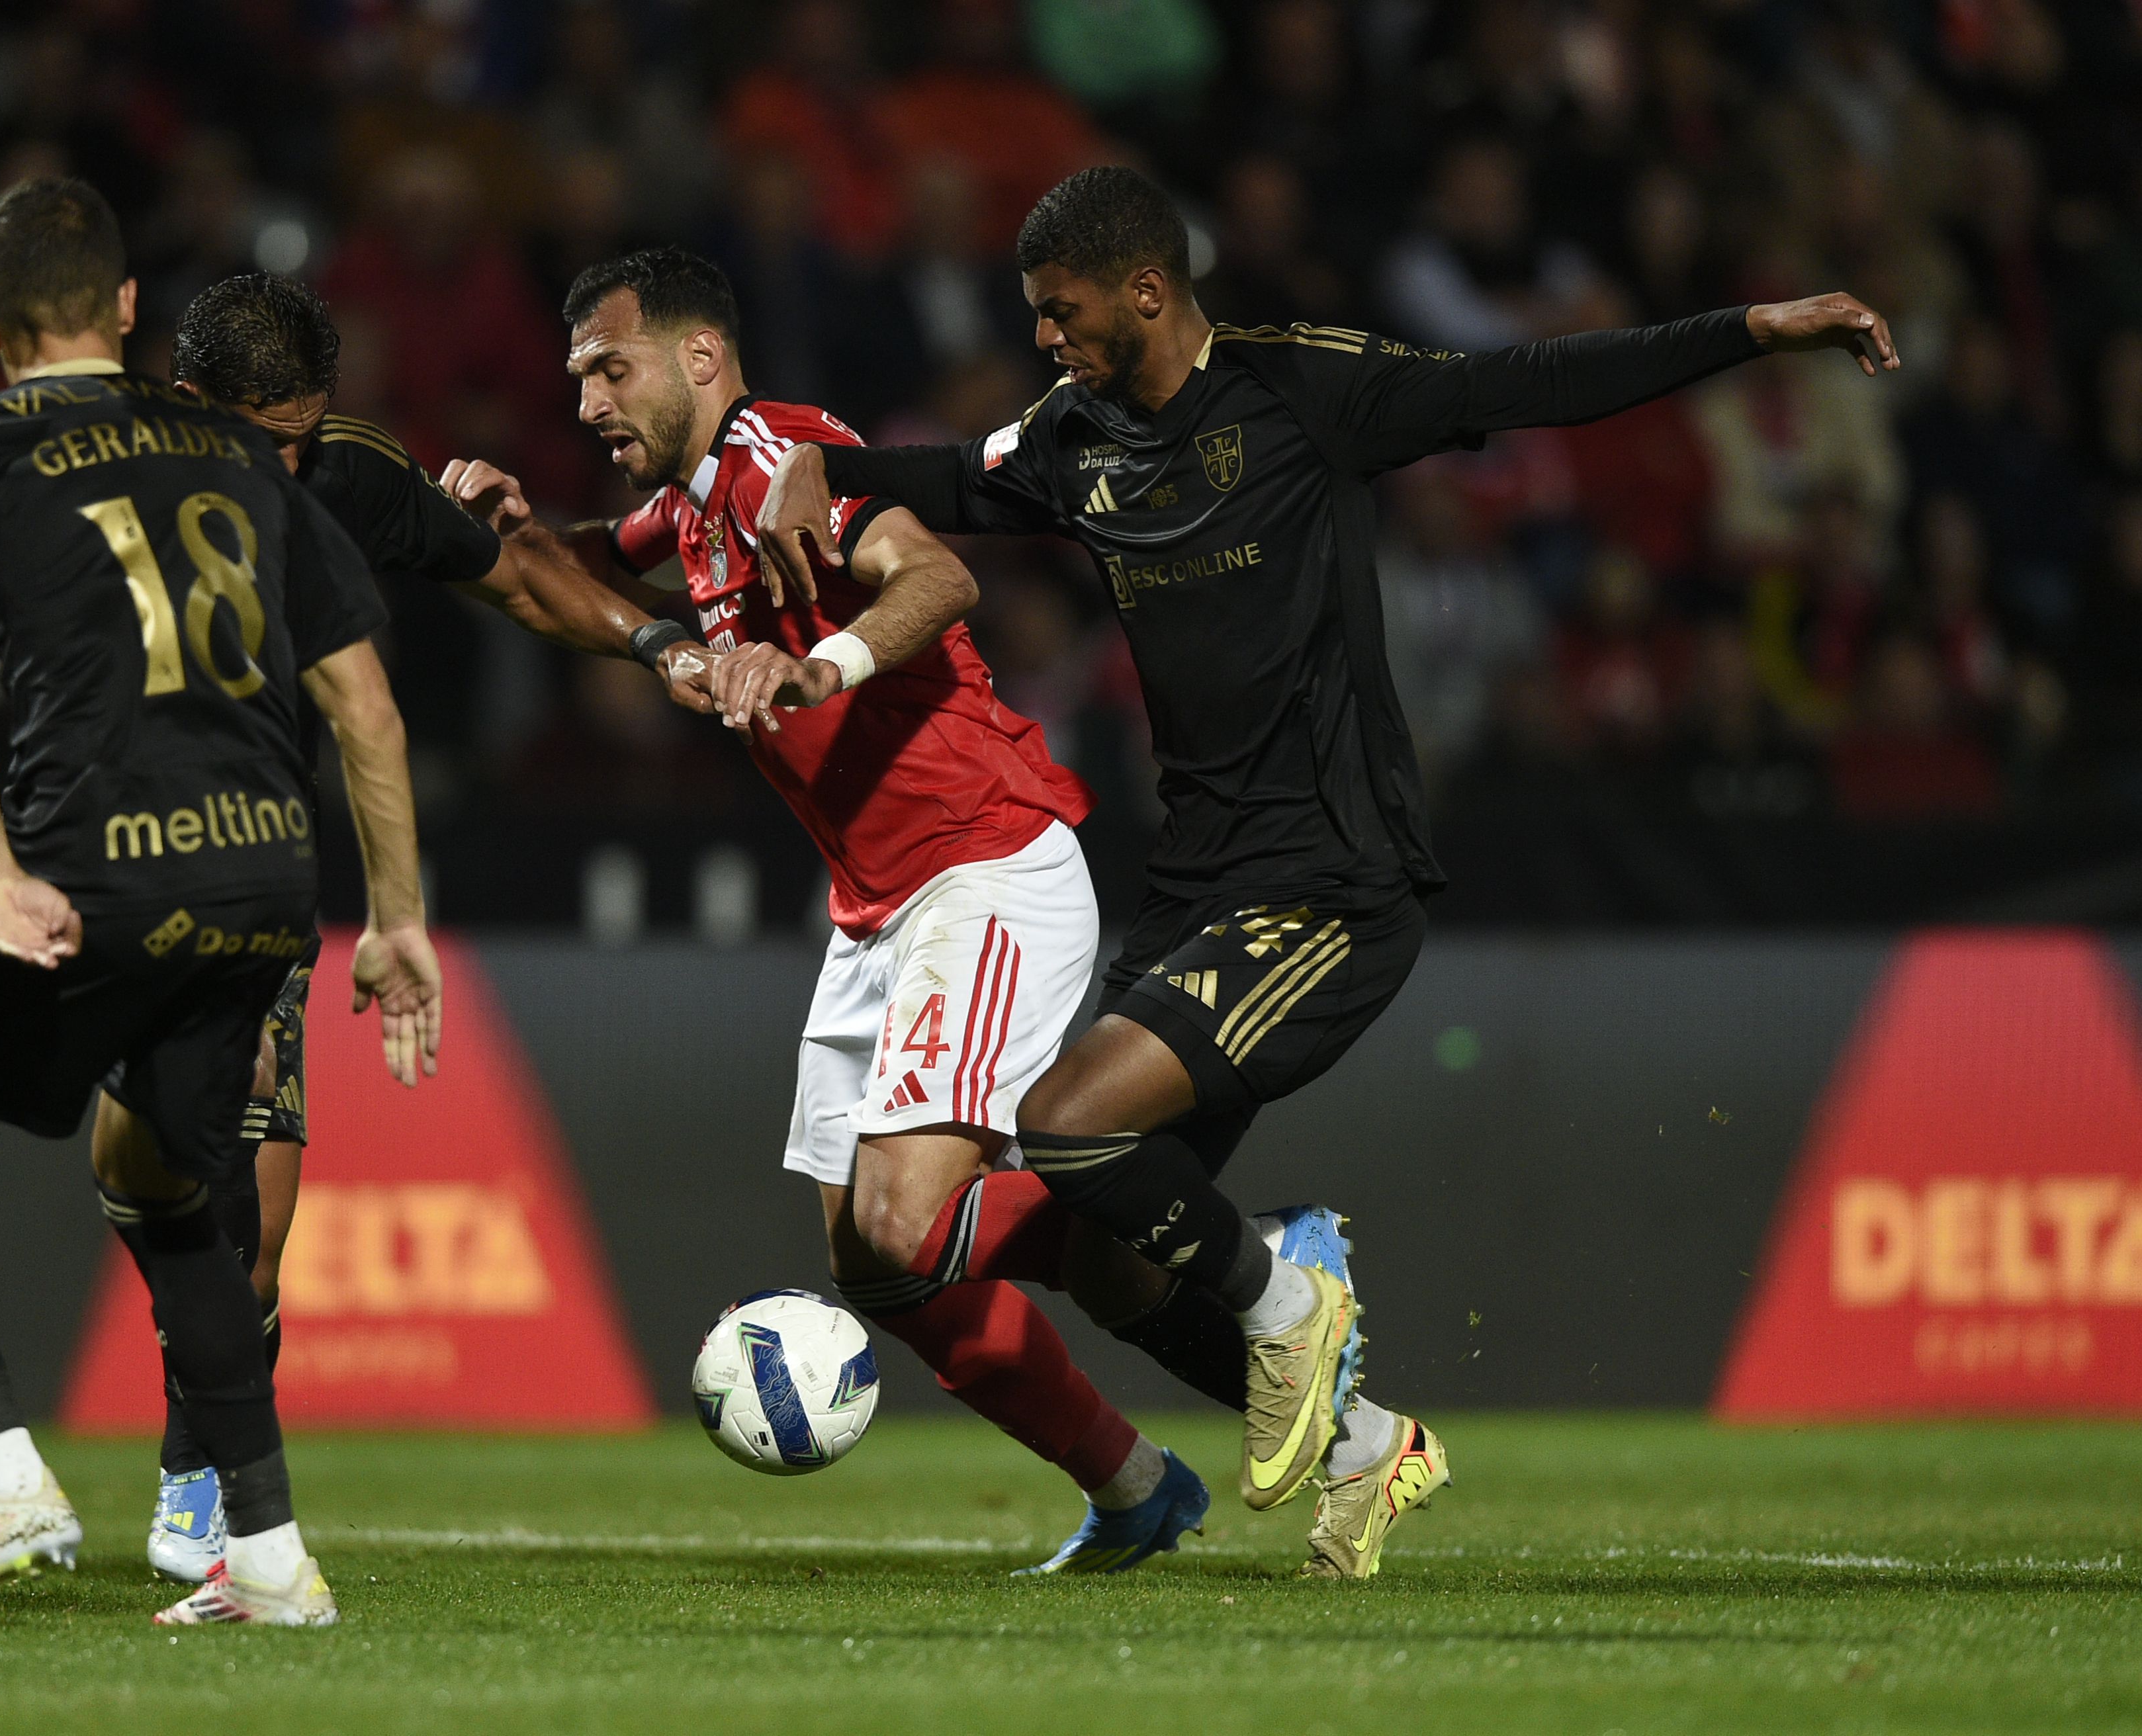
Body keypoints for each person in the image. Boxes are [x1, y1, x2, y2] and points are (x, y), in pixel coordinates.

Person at [757, 165, 1901, 1578]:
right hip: (1195, 889)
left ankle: (1292, 1286)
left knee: (1062, 1126)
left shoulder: (1304, 390)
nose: (1043, 339)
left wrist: (1754, 327)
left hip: (1331, 882)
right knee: (1115, 1260)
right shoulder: (1075, 436)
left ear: (1147, 291)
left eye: (1061, 313)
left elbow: (1537, 379)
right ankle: (1364, 1444)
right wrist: (824, 469)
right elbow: (950, 479)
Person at [0, 272, 692, 1586]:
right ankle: (142, 1500)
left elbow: (508, 573)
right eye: (263, 434)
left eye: (302, 436)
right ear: (188, 399)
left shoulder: (340, 475)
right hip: (87, 863)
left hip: (240, 870)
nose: (282, 465)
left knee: (245, 1219)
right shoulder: (68, 460)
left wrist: (660, 647)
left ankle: (196, 1497)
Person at [443, 245, 1219, 1575]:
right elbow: (565, 571)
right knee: (881, 1272)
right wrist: (498, 531)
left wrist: (820, 667)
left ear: (699, 358)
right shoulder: (686, 510)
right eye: (577, 379)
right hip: (876, 906)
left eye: (609, 371)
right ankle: (1138, 1488)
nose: (587, 407)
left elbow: (937, 577)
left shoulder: (777, 456)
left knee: (910, 1221)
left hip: (983, 865)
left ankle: (1244, 1255)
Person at [0, 176, 443, 1627]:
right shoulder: (242, 454)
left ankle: (5, 1478)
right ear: (128, 307)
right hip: (270, 877)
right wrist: (397, 919)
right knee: (162, 1188)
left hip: (101, 865)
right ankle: (263, 1559)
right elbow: (369, 708)